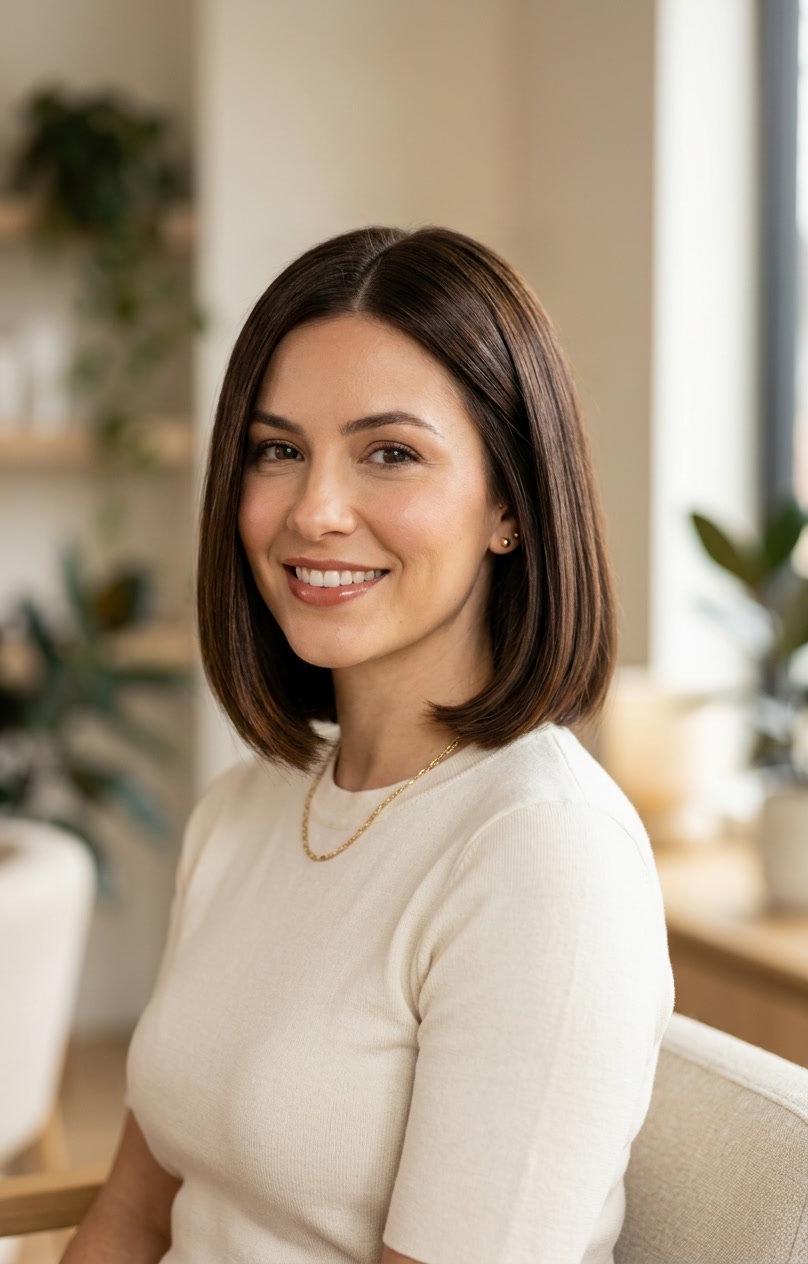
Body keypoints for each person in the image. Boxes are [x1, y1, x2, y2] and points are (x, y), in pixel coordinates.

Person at [62, 224, 675, 1264]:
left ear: (508, 507)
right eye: (277, 450)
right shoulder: (247, 806)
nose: (315, 509)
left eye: (389, 453)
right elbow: (131, 1214)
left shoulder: (542, 860)